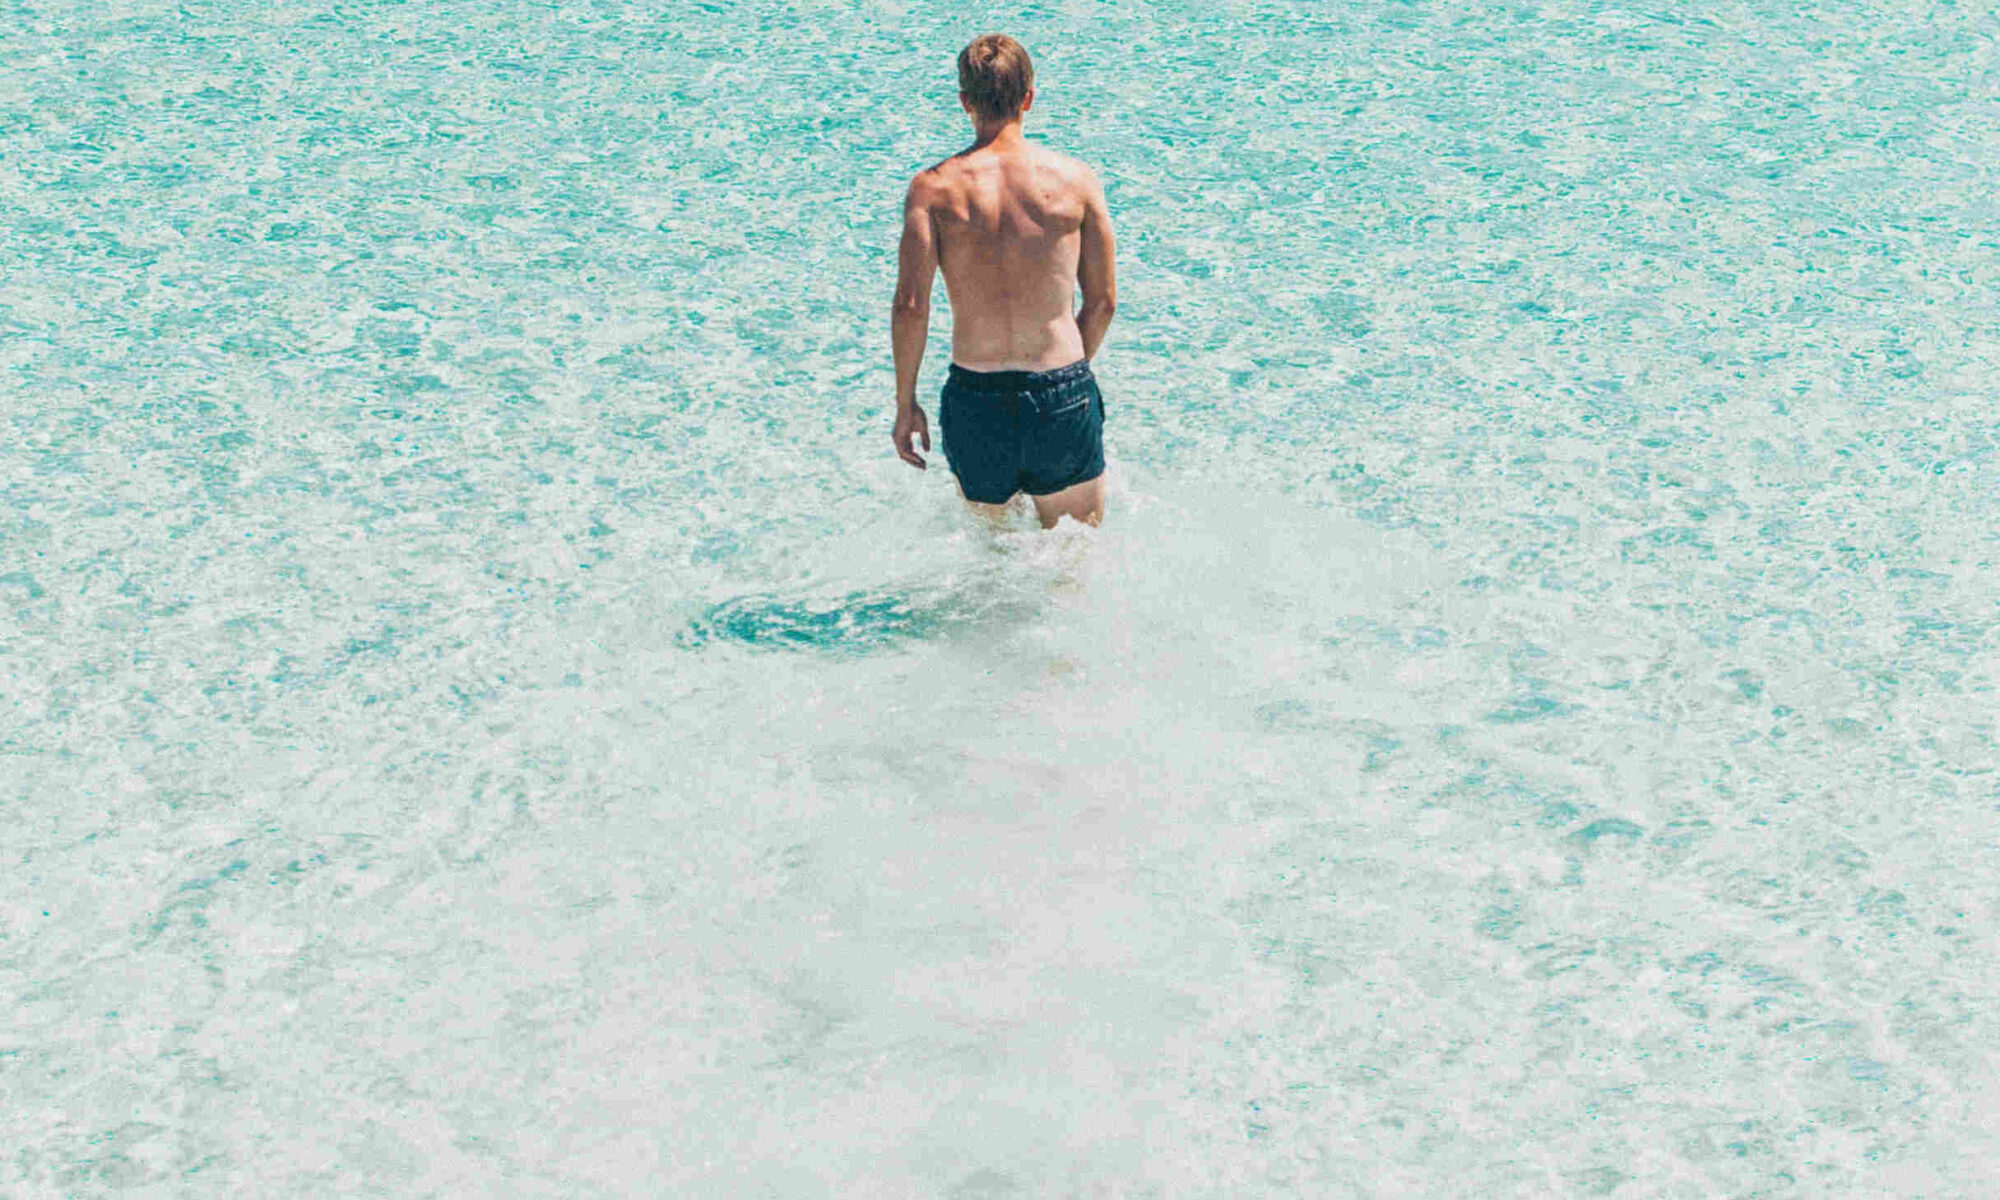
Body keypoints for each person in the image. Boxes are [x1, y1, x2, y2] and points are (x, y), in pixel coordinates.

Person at [890, 33, 1118, 529]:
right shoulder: (1076, 181)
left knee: (994, 565)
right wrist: (1068, 378)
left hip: (977, 399)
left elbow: (911, 305)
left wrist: (906, 405)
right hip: (1062, 388)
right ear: (1029, 98)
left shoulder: (933, 190)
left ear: (965, 102)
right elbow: (1102, 302)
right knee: (1073, 563)